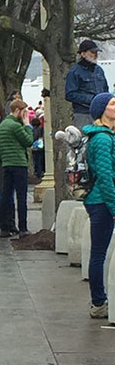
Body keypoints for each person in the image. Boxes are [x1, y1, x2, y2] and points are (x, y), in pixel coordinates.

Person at [83, 92, 115, 318]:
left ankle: (99, 300)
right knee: (98, 254)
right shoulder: (103, 139)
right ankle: (98, 302)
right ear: (102, 110)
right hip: (102, 201)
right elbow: (105, 176)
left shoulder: (105, 136)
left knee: (99, 253)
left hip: (100, 200)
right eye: (112, 103)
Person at [0, 98, 33, 238]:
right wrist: (27, 125)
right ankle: (23, 228)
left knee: (6, 196)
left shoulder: (2, 125)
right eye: (24, 112)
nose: (25, 115)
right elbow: (28, 141)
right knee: (21, 197)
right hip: (19, 164)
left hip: (6, 164)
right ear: (17, 110)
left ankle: (4, 227)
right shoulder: (15, 126)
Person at [65, 40, 109, 129]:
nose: (95, 55)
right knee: (83, 140)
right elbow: (69, 94)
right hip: (83, 114)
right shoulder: (74, 72)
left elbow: (105, 89)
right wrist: (91, 99)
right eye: (92, 52)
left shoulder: (99, 70)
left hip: (100, 114)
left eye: (96, 52)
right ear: (83, 54)